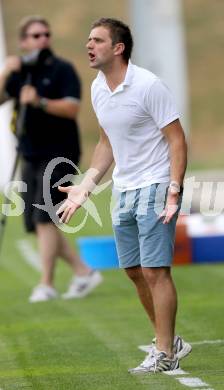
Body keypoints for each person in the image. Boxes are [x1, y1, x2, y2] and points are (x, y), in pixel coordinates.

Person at [57, 18, 191, 373]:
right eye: (88, 39)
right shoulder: (98, 88)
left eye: (97, 40)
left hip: (157, 184)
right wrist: (86, 187)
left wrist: (174, 190)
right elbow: (106, 143)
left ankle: (164, 352)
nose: (89, 45)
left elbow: (176, 139)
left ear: (118, 48)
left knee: (154, 271)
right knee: (133, 270)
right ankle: (167, 340)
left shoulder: (148, 85)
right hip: (124, 187)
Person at [0, 15, 102, 303]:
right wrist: (6, 73)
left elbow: (71, 108)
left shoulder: (61, 69)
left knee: (45, 217)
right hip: (30, 153)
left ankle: (46, 283)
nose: (42, 39)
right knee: (37, 223)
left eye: (46, 34)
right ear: (23, 42)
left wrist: (40, 102)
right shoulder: (19, 72)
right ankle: (83, 272)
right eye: (35, 35)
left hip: (59, 153)